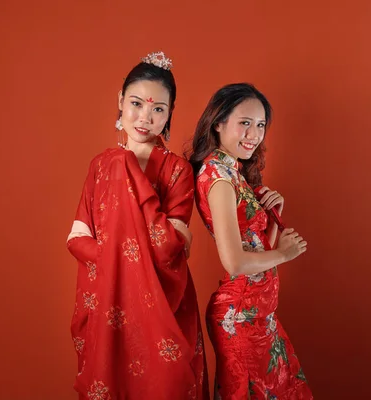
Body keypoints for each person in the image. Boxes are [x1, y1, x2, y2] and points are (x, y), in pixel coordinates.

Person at [66, 52, 208, 399]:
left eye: (158, 109)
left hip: (162, 302)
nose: (145, 117)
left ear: (169, 114)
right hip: (109, 297)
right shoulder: (102, 165)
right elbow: (76, 237)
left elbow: (168, 247)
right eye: (136, 104)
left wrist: (127, 170)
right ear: (120, 100)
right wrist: (115, 258)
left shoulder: (177, 170)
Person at [188, 83, 313, 399]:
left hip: (259, 315)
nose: (254, 134)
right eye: (245, 122)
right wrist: (285, 254)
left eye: (260, 125)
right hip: (240, 316)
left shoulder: (233, 173)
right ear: (219, 123)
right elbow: (236, 262)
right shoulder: (218, 178)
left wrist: (272, 219)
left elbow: (253, 249)